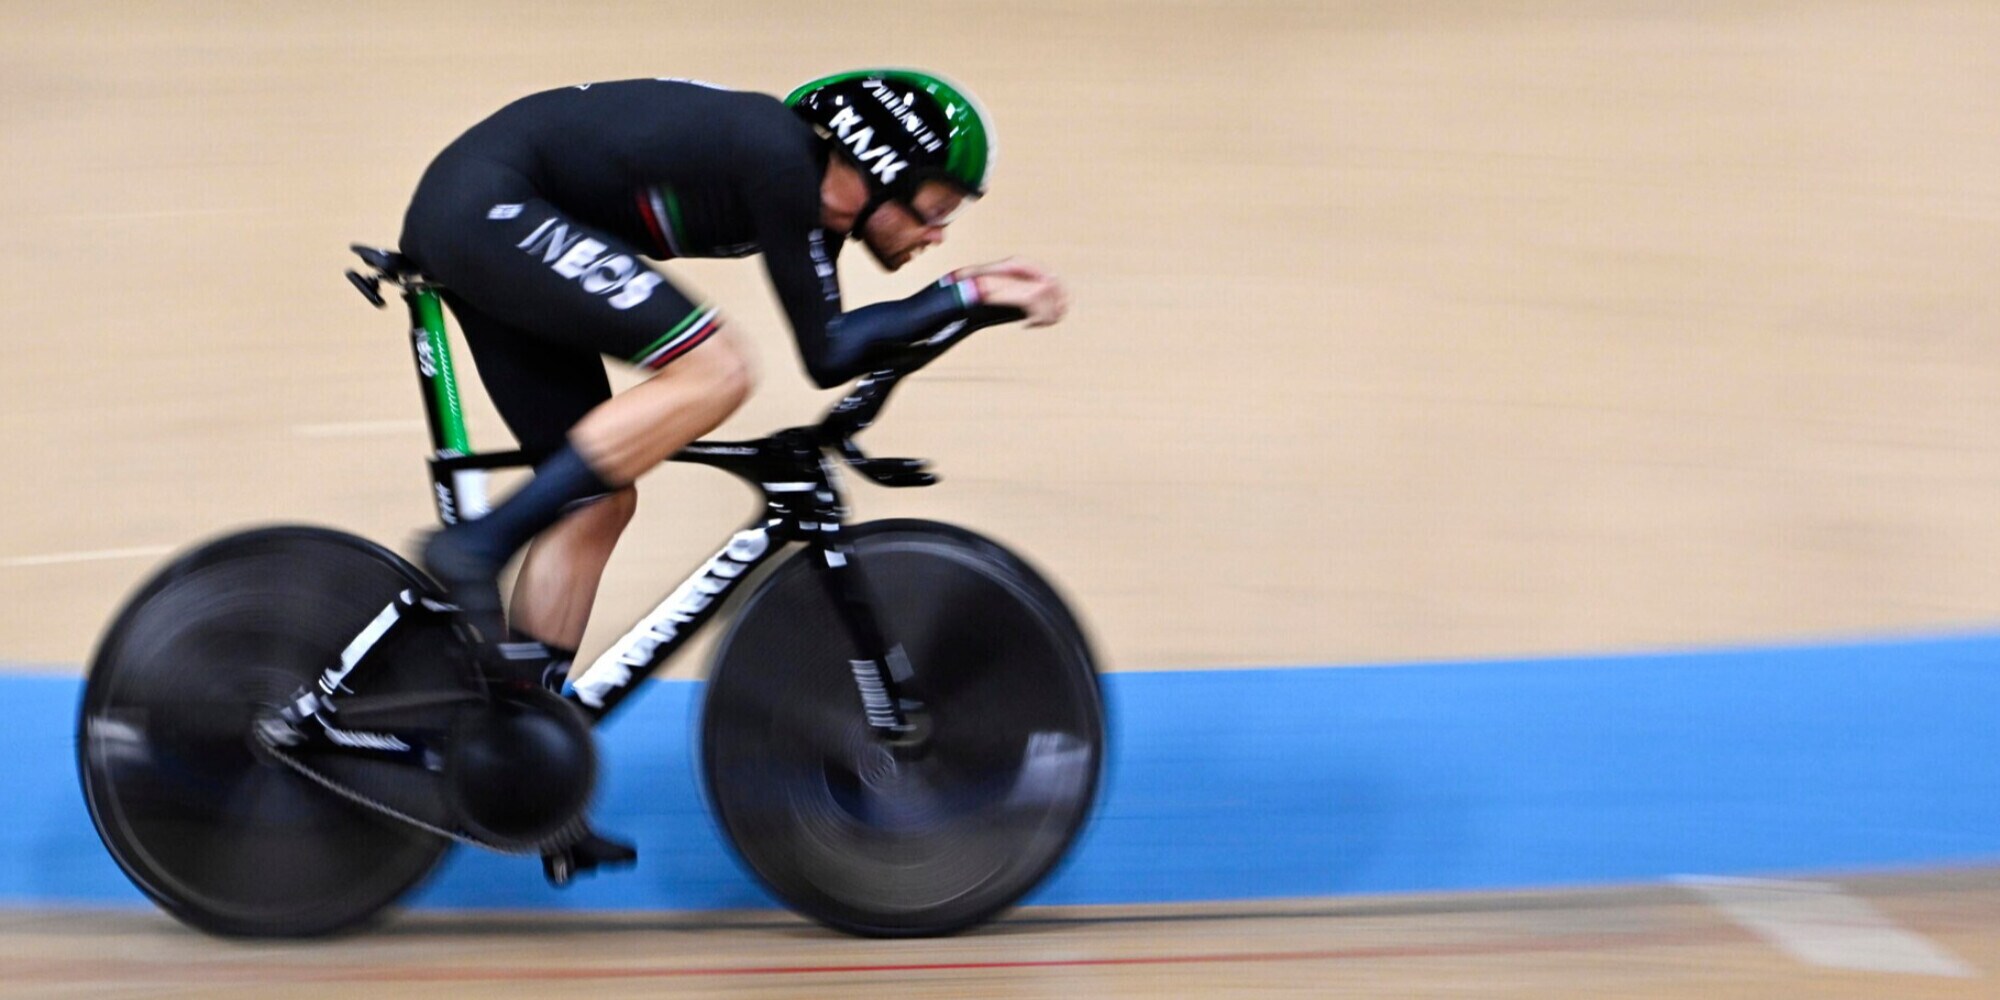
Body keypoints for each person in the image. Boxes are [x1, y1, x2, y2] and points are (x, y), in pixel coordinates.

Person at [395, 70, 1067, 881]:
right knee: (717, 368)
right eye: (935, 207)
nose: (938, 233)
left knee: (597, 499)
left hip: (499, 214)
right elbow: (834, 351)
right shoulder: (777, 157)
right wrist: (967, 292)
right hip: (490, 206)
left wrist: (967, 305)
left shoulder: (806, 205)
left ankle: (523, 758)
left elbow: (833, 354)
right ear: (880, 162)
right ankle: (477, 545)